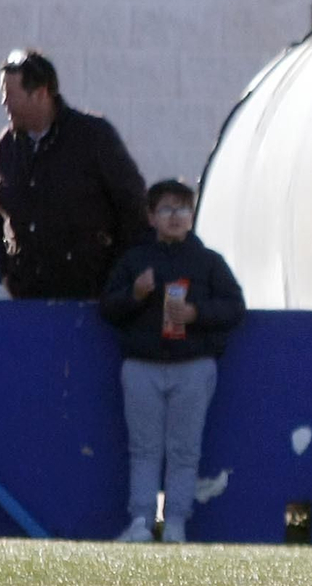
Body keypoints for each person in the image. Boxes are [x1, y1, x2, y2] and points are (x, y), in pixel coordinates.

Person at [99, 179, 245, 543]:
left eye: (182, 209)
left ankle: (176, 523)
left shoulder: (209, 262)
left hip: (193, 365)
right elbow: (108, 307)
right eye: (166, 209)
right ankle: (141, 521)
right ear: (151, 217)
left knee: (184, 450)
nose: (175, 216)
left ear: (192, 215)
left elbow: (234, 307)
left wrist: (197, 313)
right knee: (144, 449)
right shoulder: (135, 261)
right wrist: (135, 294)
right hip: (142, 365)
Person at [0, 48, 147, 299]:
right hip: (29, 296)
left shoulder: (93, 137)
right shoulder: (6, 147)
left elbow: (133, 206)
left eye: (10, 94)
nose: (4, 103)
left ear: (40, 93)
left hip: (89, 293)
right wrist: (6, 273)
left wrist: (120, 279)